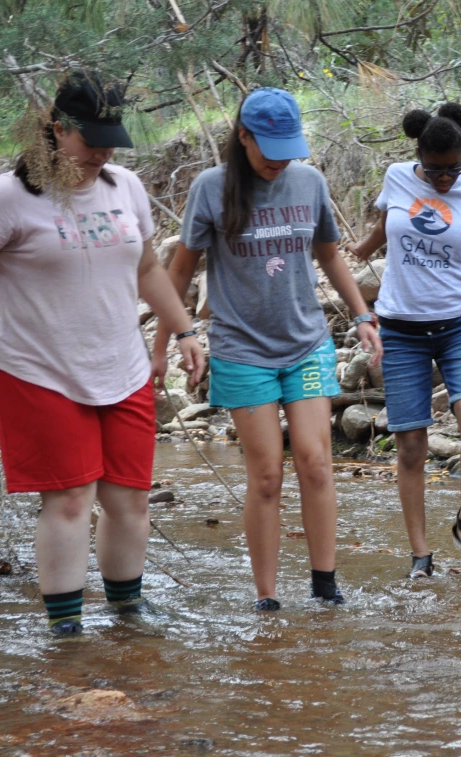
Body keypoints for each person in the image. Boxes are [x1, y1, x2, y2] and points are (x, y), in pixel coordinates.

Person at [0, 72, 202, 636]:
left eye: (110, 140)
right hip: (36, 367)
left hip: (119, 364)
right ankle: (67, 631)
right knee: (71, 498)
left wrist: (185, 331)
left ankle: (128, 615)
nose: (102, 152)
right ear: (57, 129)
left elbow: (147, 268)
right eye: (91, 139)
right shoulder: (7, 198)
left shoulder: (123, 186)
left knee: (130, 499)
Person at [158, 88, 382, 610]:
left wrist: (364, 315)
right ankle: (267, 596)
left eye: (288, 149)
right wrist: (168, 340)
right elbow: (180, 270)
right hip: (242, 351)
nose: (279, 161)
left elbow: (328, 253)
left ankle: (325, 584)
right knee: (265, 476)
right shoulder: (211, 189)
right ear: (243, 136)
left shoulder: (309, 181)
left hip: (306, 344)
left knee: (316, 462)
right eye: (269, 150)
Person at [351, 103, 461, 579]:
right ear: (418, 159)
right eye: (434, 171)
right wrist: (364, 248)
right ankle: (420, 553)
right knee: (409, 446)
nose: (444, 179)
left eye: (453, 169)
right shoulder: (397, 177)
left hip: (458, 324)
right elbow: (389, 221)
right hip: (400, 329)